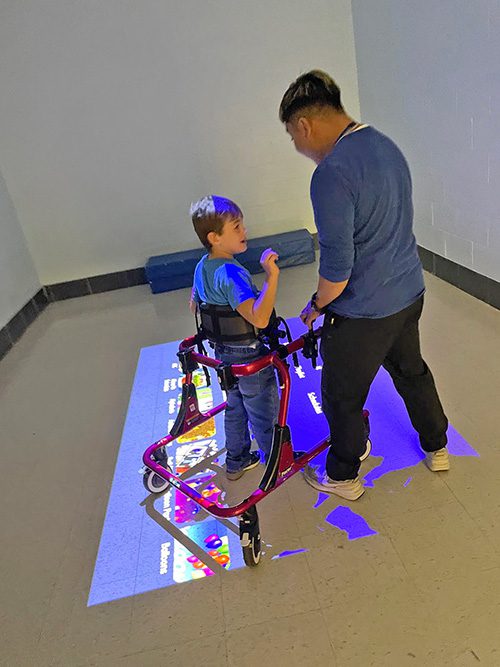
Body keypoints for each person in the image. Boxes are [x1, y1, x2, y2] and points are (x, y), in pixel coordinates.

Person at [279, 70, 449, 501]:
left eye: (293, 139)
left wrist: (317, 304)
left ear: (304, 125)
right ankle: (438, 446)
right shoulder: (386, 146)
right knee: (412, 372)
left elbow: (337, 268)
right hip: (409, 292)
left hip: (364, 313)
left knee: (341, 394)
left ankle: (343, 476)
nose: (297, 149)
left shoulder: (331, 173)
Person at [190, 195, 280, 480]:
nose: (245, 232)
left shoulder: (203, 266)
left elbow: (194, 303)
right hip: (249, 353)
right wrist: (272, 277)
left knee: (235, 405)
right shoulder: (231, 274)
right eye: (237, 227)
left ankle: (237, 459)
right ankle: (276, 461)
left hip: (223, 352)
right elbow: (259, 318)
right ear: (214, 237)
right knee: (262, 409)